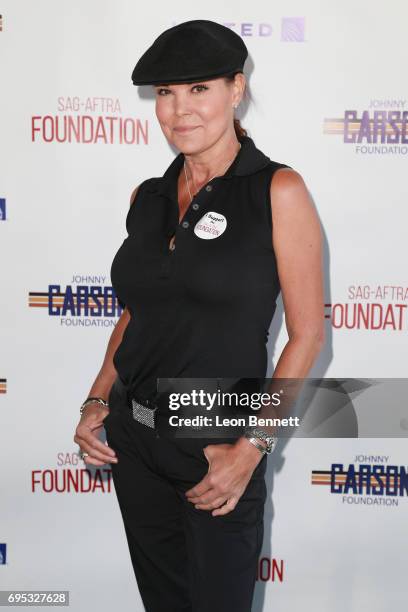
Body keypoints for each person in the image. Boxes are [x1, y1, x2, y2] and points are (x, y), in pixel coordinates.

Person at [74, 19, 324, 612]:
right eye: (166, 93)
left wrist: (253, 446)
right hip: (134, 441)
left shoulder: (277, 190)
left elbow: (308, 333)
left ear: (236, 89)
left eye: (198, 89)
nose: (179, 110)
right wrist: (97, 399)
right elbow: (139, 315)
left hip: (216, 441)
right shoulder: (148, 197)